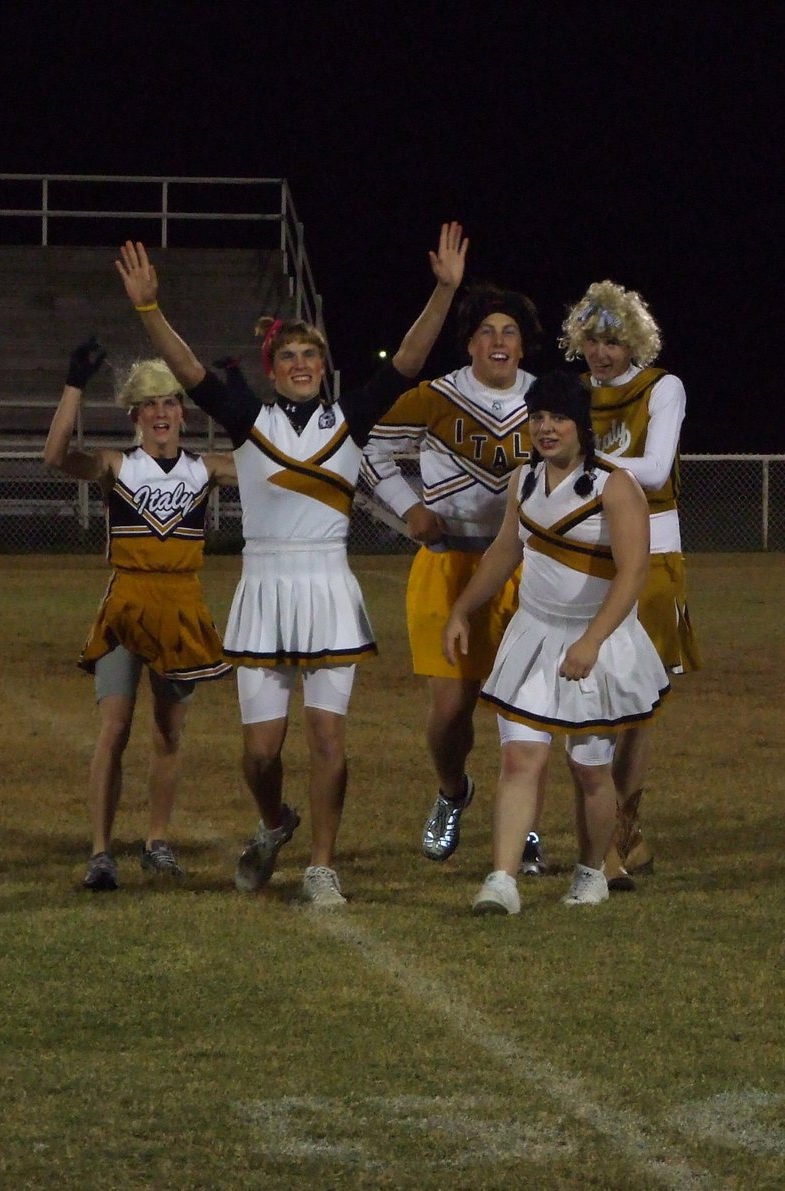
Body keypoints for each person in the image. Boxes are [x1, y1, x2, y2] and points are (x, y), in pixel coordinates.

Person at [116, 224, 468, 907]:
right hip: (266, 587)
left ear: (323, 364)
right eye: (290, 355)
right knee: (261, 753)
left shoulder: (351, 419)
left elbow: (408, 363)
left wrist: (444, 291)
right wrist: (149, 310)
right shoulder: (249, 419)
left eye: (312, 354)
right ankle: (275, 822)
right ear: (272, 366)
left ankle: (323, 864)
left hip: (328, 586)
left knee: (327, 736)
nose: (302, 364)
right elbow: (190, 372)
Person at [441, 370, 670, 915]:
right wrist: (461, 609)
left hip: (597, 641)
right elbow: (503, 553)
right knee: (520, 758)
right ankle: (502, 879)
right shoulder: (524, 479)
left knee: (589, 768)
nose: (546, 428)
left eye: (559, 418)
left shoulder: (616, 486)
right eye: (538, 416)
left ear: (580, 425)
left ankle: (592, 871)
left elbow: (633, 573)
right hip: (533, 635)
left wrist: (591, 642)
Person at [361, 284, 551, 873]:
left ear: (523, 346)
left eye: (510, 332)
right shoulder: (434, 396)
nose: (499, 341)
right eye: (487, 332)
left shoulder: (548, 401)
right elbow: (369, 450)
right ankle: (452, 792)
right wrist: (409, 507)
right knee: (449, 714)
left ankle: (526, 830)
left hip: (526, 566)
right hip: (448, 563)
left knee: (525, 709)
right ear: (470, 344)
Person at [44, 338, 236, 891]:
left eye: (171, 402)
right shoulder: (116, 465)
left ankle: (157, 841)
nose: (161, 413)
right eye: (149, 405)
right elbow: (56, 456)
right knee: (114, 728)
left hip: (181, 605)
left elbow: (268, 466)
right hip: (127, 604)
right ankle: (101, 852)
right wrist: (73, 385)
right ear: (135, 415)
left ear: (182, 411)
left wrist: (233, 398)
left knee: (170, 733)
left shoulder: (207, 469)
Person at [560, 281, 700, 889]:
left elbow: (655, 468)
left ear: (635, 341)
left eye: (614, 341)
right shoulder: (573, 393)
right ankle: (612, 835)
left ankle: (621, 831)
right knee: (597, 700)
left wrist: (581, 460)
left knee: (640, 708)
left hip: (655, 554)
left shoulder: (662, 387)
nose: (602, 353)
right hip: (590, 552)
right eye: (592, 340)